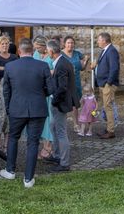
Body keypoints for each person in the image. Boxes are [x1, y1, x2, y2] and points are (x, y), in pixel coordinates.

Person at [0, 38, 52, 189]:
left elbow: (6, 91)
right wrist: (40, 95)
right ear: (32, 50)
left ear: (19, 51)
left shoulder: (10, 66)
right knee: (33, 142)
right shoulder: (43, 65)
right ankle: (28, 179)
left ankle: (10, 170)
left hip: (17, 108)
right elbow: (51, 89)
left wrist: (9, 108)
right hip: (37, 108)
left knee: (13, 138)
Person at [46, 40, 78, 173]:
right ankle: (57, 155)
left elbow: (62, 87)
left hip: (60, 103)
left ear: (52, 51)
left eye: (48, 51)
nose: (48, 53)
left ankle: (64, 163)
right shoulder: (61, 62)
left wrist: (54, 100)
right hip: (59, 102)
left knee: (61, 132)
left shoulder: (62, 64)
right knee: (53, 127)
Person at [0, 35, 18, 147]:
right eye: (2, 44)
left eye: (6, 43)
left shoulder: (14, 57)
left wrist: (3, 68)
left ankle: (7, 140)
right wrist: (9, 68)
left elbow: (17, 70)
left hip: (11, 88)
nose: (5, 46)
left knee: (9, 113)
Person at [93, 32, 120, 139]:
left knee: (108, 107)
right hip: (102, 83)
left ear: (104, 40)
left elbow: (114, 68)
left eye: (99, 39)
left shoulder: (112, 51)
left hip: (107, 84)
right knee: (106, 106)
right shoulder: (105, 50)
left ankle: (111, 131)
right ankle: (109, 127)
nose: (98, 41)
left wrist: (108, 83)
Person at [31, 36, 54, 158]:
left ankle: (48, 146)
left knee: (50, 119)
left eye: (38, 46)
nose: (36, 48)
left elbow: (55, 70)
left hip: (49, 92)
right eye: (35, 47)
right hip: (38, 92)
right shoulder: (35, 54)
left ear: (43, 46)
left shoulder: (51, 55)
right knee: (41, 120)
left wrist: (48, 72)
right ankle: (43, 144)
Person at [62, 36, 90, 133]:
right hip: (64, 83)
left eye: (72, 43)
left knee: (75, 105)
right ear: (64, 44)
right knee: (63, 104)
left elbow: (82, 68)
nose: (70, 45)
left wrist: (86, 61)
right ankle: (62, 125)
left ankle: (76, 124)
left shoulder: (77, 54)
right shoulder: (61, 54)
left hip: (76, 82)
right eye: (68, 43)